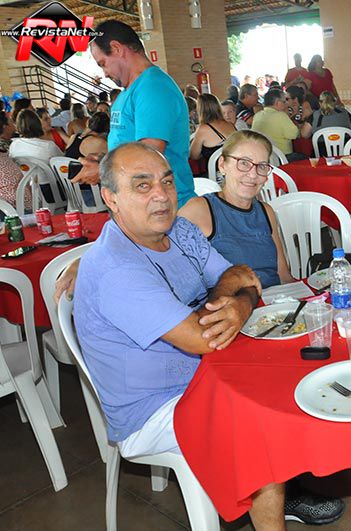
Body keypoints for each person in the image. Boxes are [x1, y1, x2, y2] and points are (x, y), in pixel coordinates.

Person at [72, 142, 295, 530]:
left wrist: (240, 303)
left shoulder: (180, 230)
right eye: (142, 185)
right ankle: (273, 491)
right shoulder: (115, 267)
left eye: (166, 181)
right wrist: (233, 295)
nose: (161, 195)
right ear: (110, 197)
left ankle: (285, 484)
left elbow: (244, 277)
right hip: (153, 408)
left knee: (291, 368)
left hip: (207, 372)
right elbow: (205, 338)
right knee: (258, 427)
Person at [87, 19, 195, 207]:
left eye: (103, 63)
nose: (104, 73)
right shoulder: (129, 92)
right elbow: (126, 145)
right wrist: (101, 160)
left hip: (164, 206)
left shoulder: (153, 88)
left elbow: (149, 156)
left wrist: (103, 171)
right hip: (139, 205)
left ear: (117, 48)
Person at [179, 130, 294, 288]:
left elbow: (284, 276)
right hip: (229, 302)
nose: (253, 175)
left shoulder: (266, 212)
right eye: (244, 163)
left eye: (261, 166)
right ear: (222, 165)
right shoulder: (199, 210)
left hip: (275, 300)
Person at [251, 88, 311, 162]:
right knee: (306, 158)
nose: (287, 103)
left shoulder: (257, 115)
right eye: (284, 101)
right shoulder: (280, 115)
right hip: (282, 157)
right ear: (278, 103)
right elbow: (294, 134)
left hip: (264, 157)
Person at [189, 93, 236, 170]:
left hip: (217, 173)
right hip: (234, 168)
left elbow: (194, 156)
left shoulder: (203, 128)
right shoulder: (230, 124)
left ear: (200, 110)